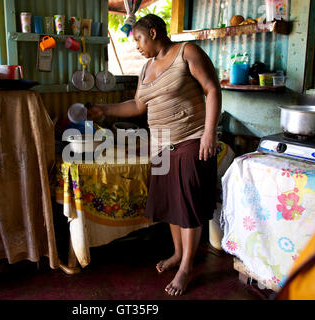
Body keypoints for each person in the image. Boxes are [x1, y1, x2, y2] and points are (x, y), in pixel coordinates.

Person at [88, 14, 222, 296]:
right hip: (160, 144)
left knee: (188, 205)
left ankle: (186, 266)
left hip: (191, 138)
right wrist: (104, 110)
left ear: (152, 32)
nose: (136, 45)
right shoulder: (146, 68)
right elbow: (138, 105)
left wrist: (210, 133)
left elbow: (212, 89)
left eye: (138, 39)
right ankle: (177, 253)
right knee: (172, 203)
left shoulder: (187, 52)